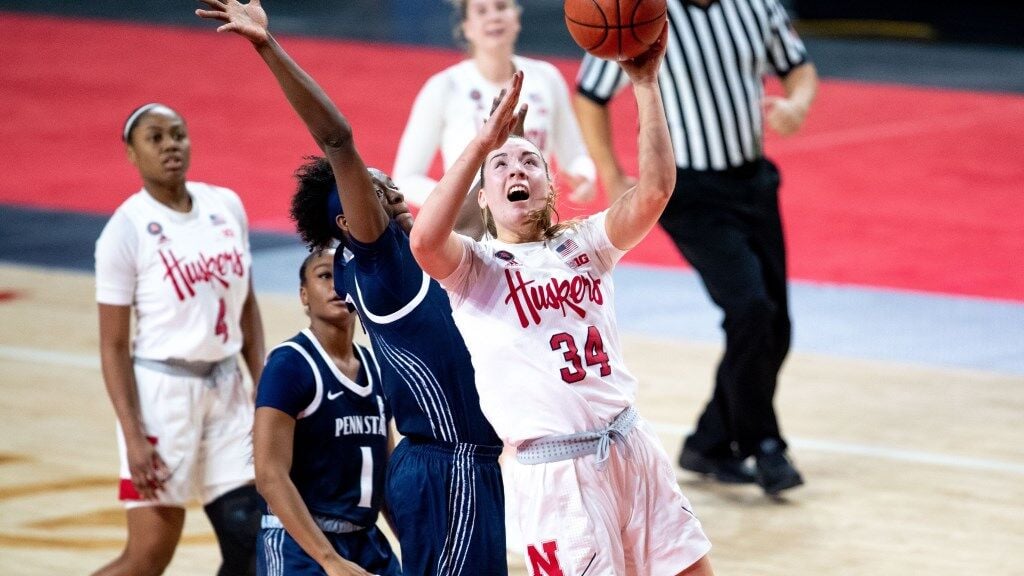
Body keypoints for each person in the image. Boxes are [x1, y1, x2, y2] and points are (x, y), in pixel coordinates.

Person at [195, 1, 507, 574]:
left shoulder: (425, 254)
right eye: (373, 186)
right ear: (351, 222)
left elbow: (467, 214)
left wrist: (491, 149)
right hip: (448, 465)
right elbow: (338, 140)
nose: (388, 188)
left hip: (464, 466)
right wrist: (268, 46)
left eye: (387, 184)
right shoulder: (380, 265)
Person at [409, 26, 716, 576]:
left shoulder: (586, 244)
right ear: (483, 198)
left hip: (630, 445)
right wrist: (480, 144)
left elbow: (654, 191)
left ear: (550, 186)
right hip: (558, 474)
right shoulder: (477, 268)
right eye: (500, 167)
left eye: (530, 162)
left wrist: (645, 82)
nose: (515, 169)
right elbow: (424, 241)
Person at [574, 0, 818, 496]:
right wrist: (610, 171)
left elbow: (800, 69)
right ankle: (764, 443)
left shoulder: (755, 6)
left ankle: (709, 442)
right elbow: (590, 95)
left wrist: (797, 103)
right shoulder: (639, 11)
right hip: (688, 191)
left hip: (753, 182)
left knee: (776, 326)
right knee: (750, 310)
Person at [92, 103, 264, 576]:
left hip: (228, 390)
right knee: (149, 556)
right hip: (161, 399)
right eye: (155, 137)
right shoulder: (124, 232)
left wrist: (263, 388)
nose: (171, 144)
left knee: (254, 543)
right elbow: (112, 345)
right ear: (131, 153)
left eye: (178, 134)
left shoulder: (226, 205)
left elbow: (246, 305)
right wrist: (133, 436)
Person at [253, 248, 401, 576]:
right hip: (299, 543)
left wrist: (415, 543)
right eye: (324, 275)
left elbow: (385, 474)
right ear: (304, 295)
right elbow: (268, 475)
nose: (337, 284)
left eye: (345, 273)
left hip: (365, 540)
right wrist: (329, 560)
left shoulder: (377, 366)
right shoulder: (289, 364)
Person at [392, 0, 596, 230]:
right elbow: (407, 178)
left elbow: (576, 155)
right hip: (471, 235)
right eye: (482, 11)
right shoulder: (444, 87)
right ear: (467, 27)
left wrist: (584, 175)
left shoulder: (547, 78)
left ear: (517, 18)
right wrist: (454, 201)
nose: (494, 17)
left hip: (534, 231)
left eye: (501, 7)